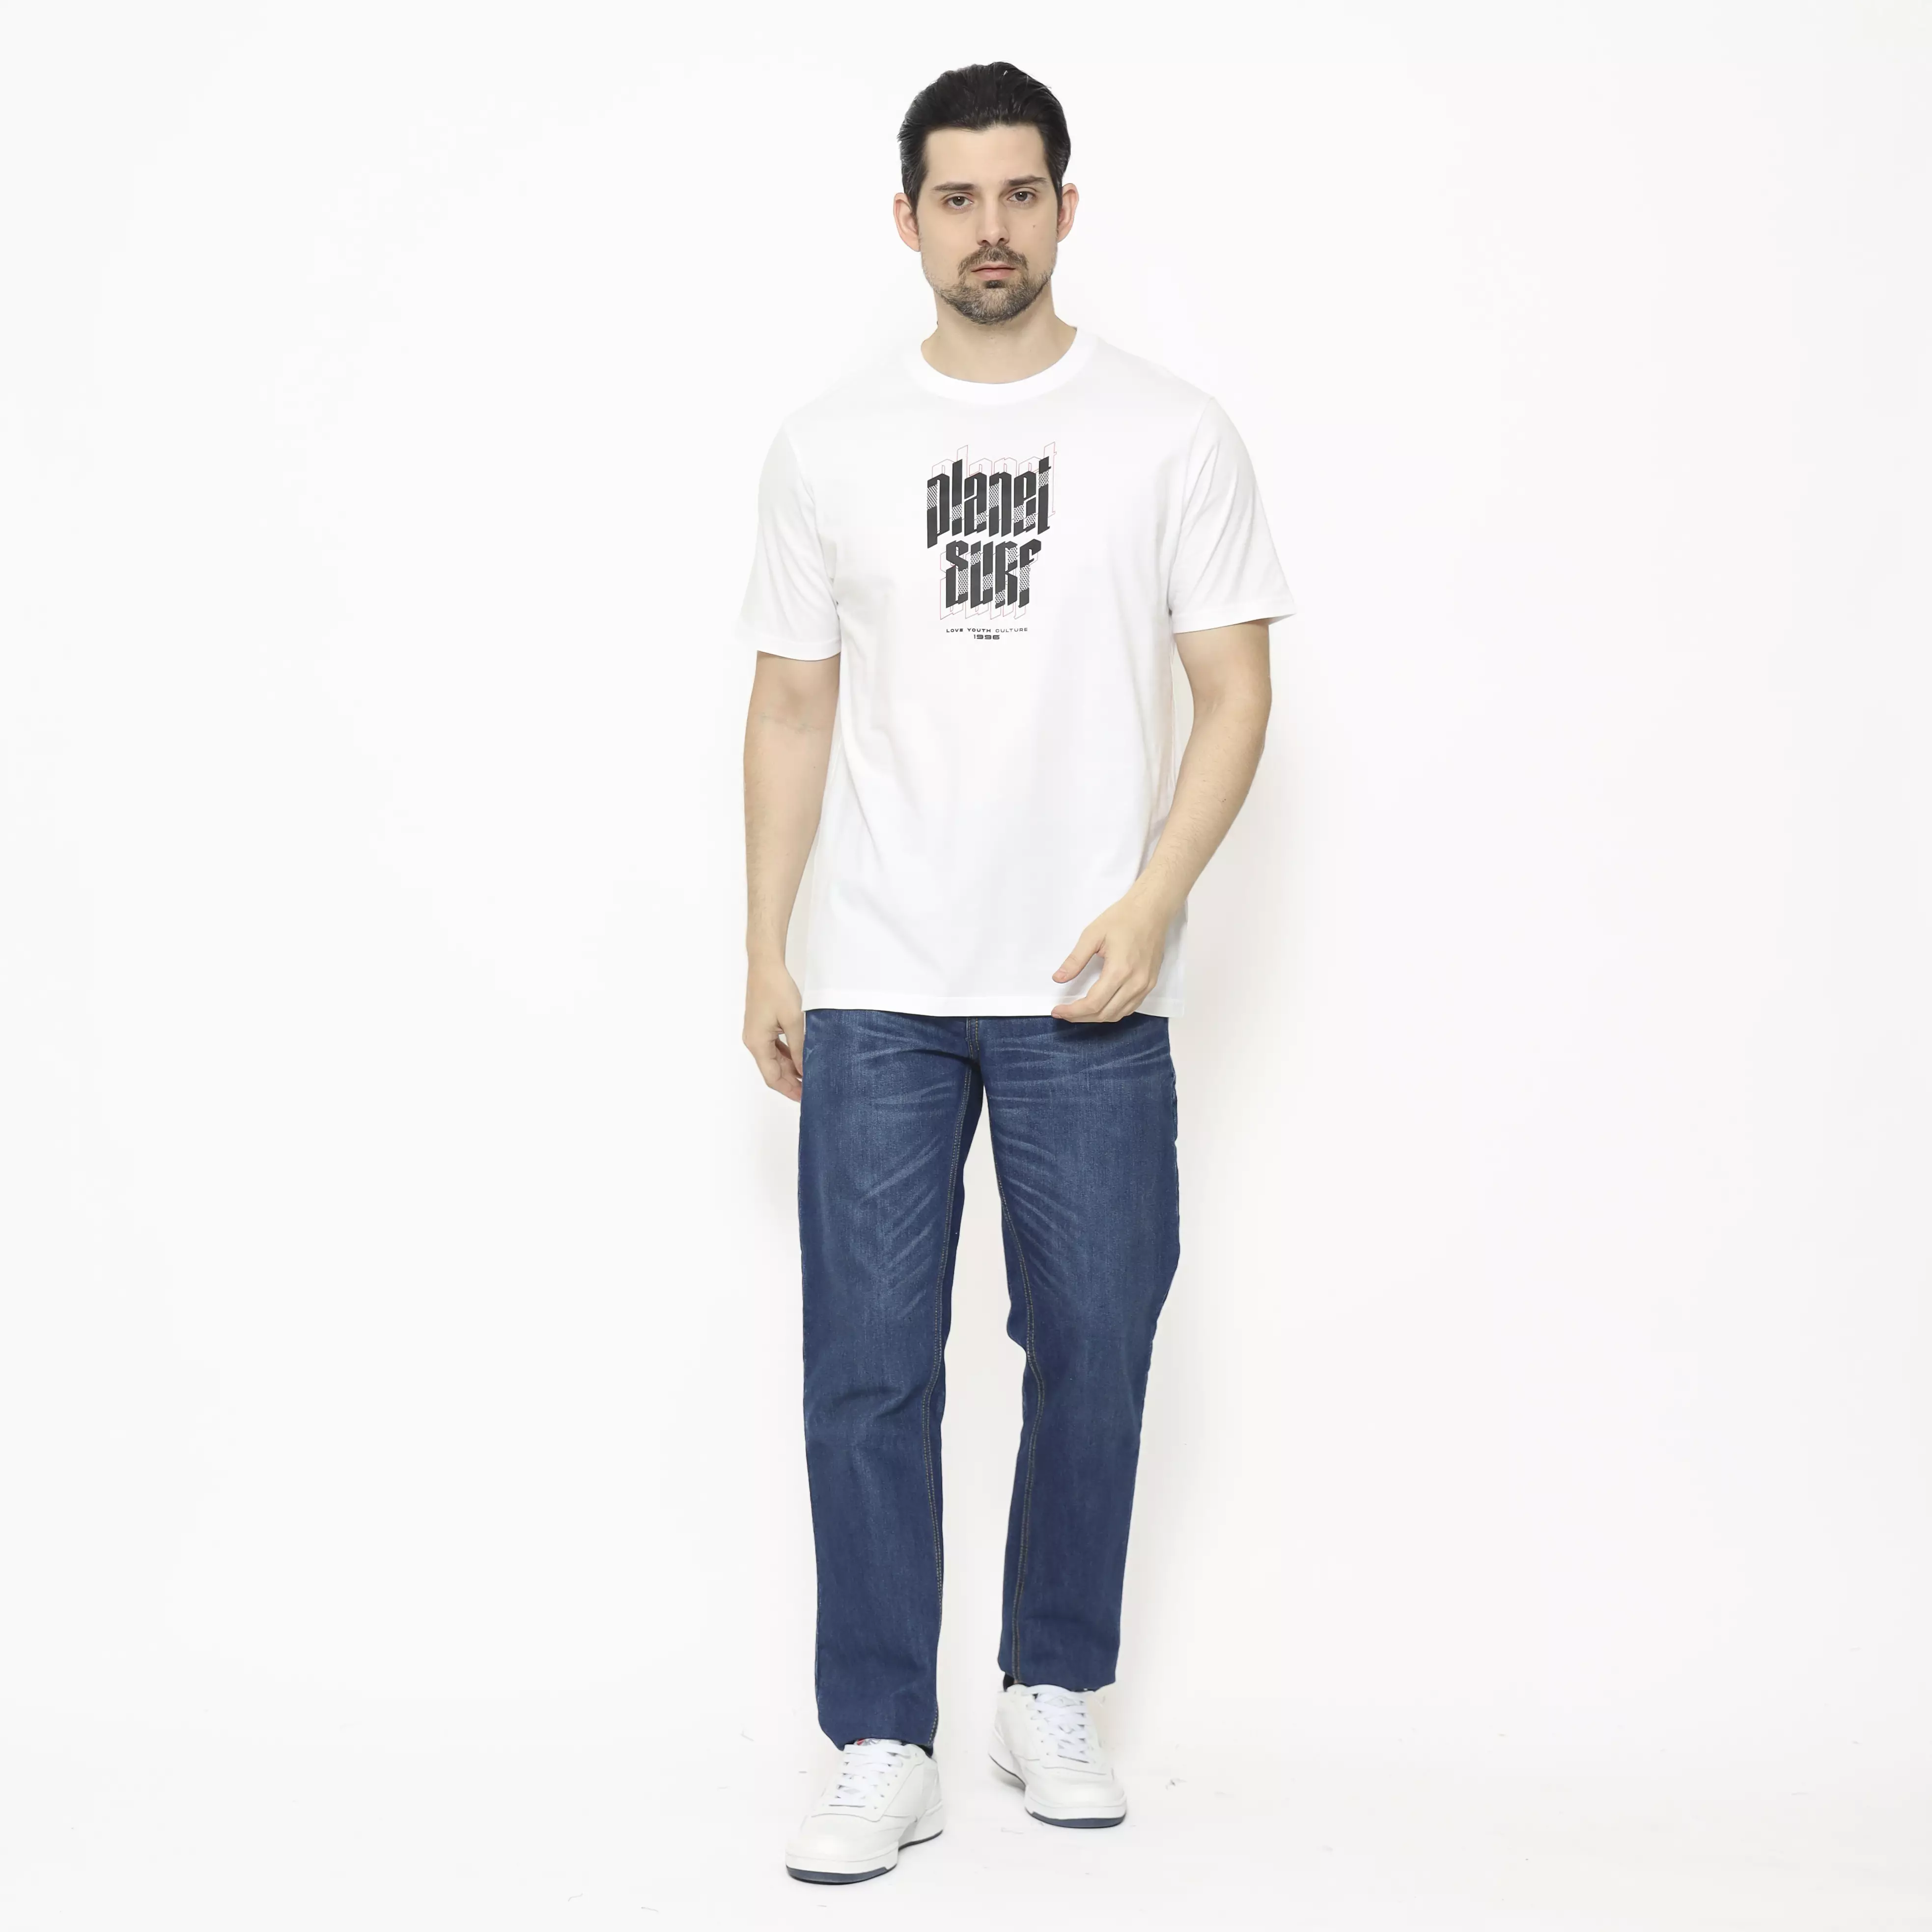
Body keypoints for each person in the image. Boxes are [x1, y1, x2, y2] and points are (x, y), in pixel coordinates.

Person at [737, 59, 1296, 1886]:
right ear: (907, 219)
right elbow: (792, 703)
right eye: (958, 198)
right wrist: (766, 942)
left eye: (1021, 193)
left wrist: (1153, 899)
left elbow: (1234, 691)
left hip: (1085, 982)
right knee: (866, 1367)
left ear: (1066, 206)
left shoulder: (1170, 434)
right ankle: (878, 1735)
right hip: (879, 976)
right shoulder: (828, 443)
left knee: (1098, 1343)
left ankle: (1049, 1684)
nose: (992, 229)